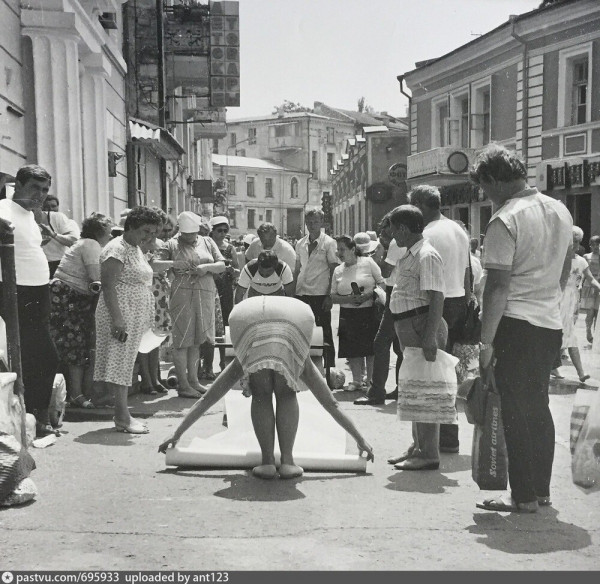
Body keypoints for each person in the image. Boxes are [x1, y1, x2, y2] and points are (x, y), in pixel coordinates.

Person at [158, 295, 374, 479]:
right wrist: (360, 439)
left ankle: (267, 462)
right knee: (286, 393)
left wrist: (177, 433)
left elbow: (210, 397)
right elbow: (331, 402)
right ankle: (288, 461)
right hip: (290, 325)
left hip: (253, 325)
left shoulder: (246, 352)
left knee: (261, 394)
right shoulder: (300, 354)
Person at [473, 144, 572, 513]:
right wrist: (547, 300)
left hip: (514, 324)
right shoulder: (559, 210)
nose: (485, 194)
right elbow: (564, 271)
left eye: (485, 186)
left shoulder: (505, 219)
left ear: (495, 179)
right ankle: (540, 491)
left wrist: (485, 344)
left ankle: (523, 495)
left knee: (514, 409)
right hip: (549, 323)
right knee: (538, 407)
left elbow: (497, 287)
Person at [384, 205, 448, 471]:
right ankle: (417, 446)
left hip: (422, 324)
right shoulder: (409, 255)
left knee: (425, 391)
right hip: (409, 325)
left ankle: (428, 452)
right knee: (414, 388)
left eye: (393, 229)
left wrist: (430, 336)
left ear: (403, 228)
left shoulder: (426, 254)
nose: (391, 235)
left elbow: (437, 297)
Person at [408, 184, 470, 454]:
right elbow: (468, 271)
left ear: (420, 205)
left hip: (436, 304)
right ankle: (447, 437)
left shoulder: (426, 233)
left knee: (429, 374)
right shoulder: (457, 228)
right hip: (457, 300)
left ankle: (429, 443)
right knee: (446, 374)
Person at [0, 164, 59, 437]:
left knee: (38, 357)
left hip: (38, 291)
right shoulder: (3, 209)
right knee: (41, 356)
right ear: (19, 185)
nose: (41, 194)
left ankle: (33, 416)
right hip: (13, 291)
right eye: (35, 188)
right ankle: (34, 416)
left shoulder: (31, 215)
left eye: (45, 190)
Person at [93, 206, 163, 434]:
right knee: (120, 363)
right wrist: (118, 319)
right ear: (130, 227)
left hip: (133, 313)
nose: (149, 237)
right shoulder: (116, 249)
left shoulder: (135, 248)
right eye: (145, 231)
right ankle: (122, 417)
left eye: (153, 232)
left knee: (125, 362)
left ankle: (123, 414)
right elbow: (108, 286)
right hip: (121, 313)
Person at [157, 211, 225, 398]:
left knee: (197, 340)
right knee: (182, 340)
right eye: (186, 234)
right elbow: (155, 264)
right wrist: (173, 263)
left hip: (205, 293)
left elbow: (222, 264)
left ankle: (193, 381)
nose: (190, 237)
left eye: (193, 234)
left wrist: (206, 267)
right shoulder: (171, 244)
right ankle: (183, 384)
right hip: (182, 295)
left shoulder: (207, 242)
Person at [49, 213, 113, 408]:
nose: (110, 236)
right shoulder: (91, 245)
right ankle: (76, 394)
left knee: (75, 346)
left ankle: (74, 393)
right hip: (69, 297)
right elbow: (96, 278)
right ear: (99, 232)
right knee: (75, 346)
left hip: (70, 296)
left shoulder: (85, 243)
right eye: (108, 232)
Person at [355, 215, 405, 406]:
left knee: (381, 343)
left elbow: (385, 271)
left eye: (385, 228)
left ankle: (377, 392)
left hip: (395, 294)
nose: (382, 232)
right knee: (400, 347)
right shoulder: (403, 242)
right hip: (400, 293)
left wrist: (381, 252)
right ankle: (400, 389)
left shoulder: (394, 244)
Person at [330, 235, 385, 392]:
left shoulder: (368, 263)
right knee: (353, 349)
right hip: (348, 314)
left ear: (353, 249)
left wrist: (368, 296)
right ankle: (356, 381)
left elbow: (381, 283)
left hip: (369, 312)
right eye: (337, 249)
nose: (339, 253)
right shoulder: (338, 270)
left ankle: (371, 381)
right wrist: (349, 298)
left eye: (342, 249)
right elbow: (333, 296)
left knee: (370, 349)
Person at [552, 226, 600, 383]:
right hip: (558, 299)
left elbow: (590, 279)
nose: (576, 245)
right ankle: (579, 372)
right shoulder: (558, 259)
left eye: (578, 241)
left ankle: (559, 368)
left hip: (572, 301)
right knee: (565, 335)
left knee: (565, 335)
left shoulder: (581, 261)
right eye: (573, 241)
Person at [293, 209, 339, 371]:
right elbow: (297, 269)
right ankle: (303, 367)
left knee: (324, 331)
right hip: (302, 293)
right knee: (302, 330)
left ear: (322, 223)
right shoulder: (300, 243)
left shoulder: (329, 243)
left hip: (320, 294)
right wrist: (292, 293)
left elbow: (334, 270)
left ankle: (330, 368)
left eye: (315, 222)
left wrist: (330, 295)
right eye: (309, 222)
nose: (312, 225)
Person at [137, 207, 173, 396]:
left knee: (155, 337)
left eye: (165, 229)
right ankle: (146, 379)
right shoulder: (142, 242)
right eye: (160, 228)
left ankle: (155, 377)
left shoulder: (160, 244)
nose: (162, 233)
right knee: (145, 336)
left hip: (159, 291)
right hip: (147, 289)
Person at [209, 216, 240, 375]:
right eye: (219, 230)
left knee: (225, 326)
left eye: (225, 231)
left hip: (225, 289)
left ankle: (223, 361)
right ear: (212, 231)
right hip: (209, 288)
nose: (222, 234)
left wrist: (231, 270)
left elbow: (238, 270)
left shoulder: (229, 248)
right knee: (208, 326)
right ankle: (206, 364)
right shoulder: (206, 245)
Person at [38, 195, 80, 277]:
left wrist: (54, 235)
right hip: (40, 263)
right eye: (46, 207)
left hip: (58, 263)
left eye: (53, 206)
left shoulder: (62, 218)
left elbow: (73, 241)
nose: (50, 209)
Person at [581, 235, 600, 343]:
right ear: (590, 245)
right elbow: (583, 272)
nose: (596, 247)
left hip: (599, 285)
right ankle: (588, 331)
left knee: (598, 312)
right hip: (589, 285)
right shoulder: (587, 256)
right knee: (590, 312)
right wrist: (580, 284)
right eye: (594, 244)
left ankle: (597, 336)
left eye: (598, 244)